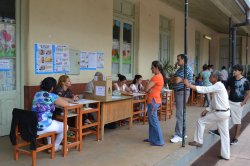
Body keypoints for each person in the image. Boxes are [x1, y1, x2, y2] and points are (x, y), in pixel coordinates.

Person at [183, 71, 231, 160]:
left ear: (215, 78)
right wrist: (207, 110)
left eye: (211, 77)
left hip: (220, 113)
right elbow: (215, 102)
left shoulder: (218, 85)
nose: (209, 78)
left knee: (200, 121)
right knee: (225, 135)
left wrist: (189, 85)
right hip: (224, 113)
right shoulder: (218, 86)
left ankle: (198, 141)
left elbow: (205, 89)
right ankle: (226, 155)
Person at [32, 77, 69, 152]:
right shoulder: (51, 96)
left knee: (52, 123)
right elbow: (65, 104)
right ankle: (55, 147)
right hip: (43, 127)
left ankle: (49, 145)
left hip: (33, 125)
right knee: (65, 126)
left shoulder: (37, 94)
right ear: (52, 87)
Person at [169, 54, 193, 143]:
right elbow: (174, 79)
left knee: (180, 114)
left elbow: (176, 80)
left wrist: (174, 78)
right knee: (181, 113)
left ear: (183, 60)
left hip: (182, 92)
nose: (177, 61)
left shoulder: (185, 69)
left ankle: (179, 135)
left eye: (178, 59)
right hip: (179, 92)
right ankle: (182, 132)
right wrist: (174, 78)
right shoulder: (181, 69)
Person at [144, 60, 167, 146]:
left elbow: (146, 89)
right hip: (154, 100)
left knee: (154, 121)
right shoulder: (159, 76)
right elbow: (149, 89)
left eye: (152, 67)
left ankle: (159, 141)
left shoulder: (156, 77)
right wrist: (149, 88)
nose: (151, 69)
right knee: (151, 120)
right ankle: (152, 138)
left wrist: (148, 87)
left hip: (153, 101)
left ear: (156, 68)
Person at [227, 64, 250, 145]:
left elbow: (248, 93)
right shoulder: (230, 79)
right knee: (224, 116)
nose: (233, 72)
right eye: (233, 70)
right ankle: (219, 131)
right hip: (229, 102)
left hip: (238, 103)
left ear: (240, 71)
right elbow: (228, 89)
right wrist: (226, 99)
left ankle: (236, 138)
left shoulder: (245, 81)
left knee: (237, 121)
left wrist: (243, 102)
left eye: (235, 70)